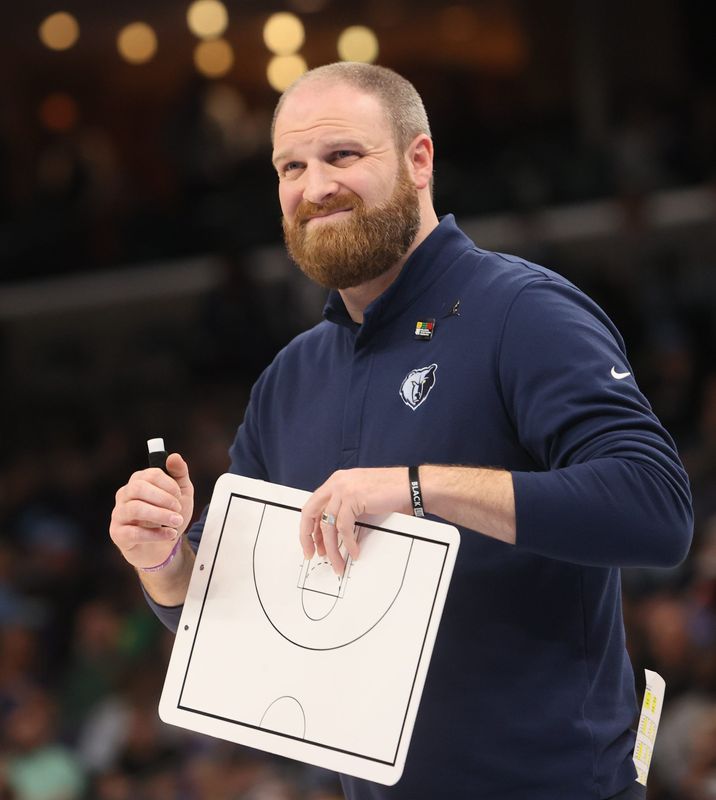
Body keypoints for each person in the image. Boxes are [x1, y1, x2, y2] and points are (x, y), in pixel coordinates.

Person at [109, 62, 693, 800]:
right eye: (291, 166)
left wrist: (416, 487)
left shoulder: (523, 312)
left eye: (343, 156)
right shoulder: (289, 381)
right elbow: (241, 616)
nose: (314, 187)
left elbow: (656, 511)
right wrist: (162, 563)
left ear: (420, 161)